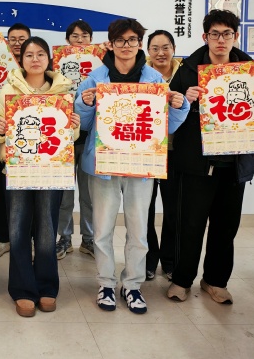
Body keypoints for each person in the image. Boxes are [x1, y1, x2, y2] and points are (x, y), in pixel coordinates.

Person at [75, 18, 188, 315]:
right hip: (104, 165)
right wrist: (85, 104)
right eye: (120, 40)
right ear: (111, 44)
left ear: (140, 44)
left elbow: (166, 127)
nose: (126, 46)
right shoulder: (94, 79)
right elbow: (82, 125)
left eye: (132, 40)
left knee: (138, 230)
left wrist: (178, 106)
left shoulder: (155, 81)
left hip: (141, 165)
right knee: (102, 229)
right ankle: (105, 283)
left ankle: (133, 284)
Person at [167, 10, 254, 304]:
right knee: (190, 224)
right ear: (205, 37)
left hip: (235, 164)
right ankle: (181, 280)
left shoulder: (251, 71)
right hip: (196, 163)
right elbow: (169, 114)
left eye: (227, 34)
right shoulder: (188, 69)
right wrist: (184, 100)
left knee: (225, 227)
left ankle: (215, 281)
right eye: (214, 34)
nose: (221, 40)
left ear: (235, 36)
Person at [0, 37, 81, 317]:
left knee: (46, 229)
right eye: (29, 54)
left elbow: (69, 136)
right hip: (18, 170)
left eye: (40, 54)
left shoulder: (63, 88)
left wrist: (75, 126)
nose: (35, 59)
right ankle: (22, 289)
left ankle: (46, 286)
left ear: (48, 58)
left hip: (52, 171)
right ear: (21, 59)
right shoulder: (8, 88)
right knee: (18, 229)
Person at [0, 22, 32, 258]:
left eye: (21, 38)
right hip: (2, 134)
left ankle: (30, 239)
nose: (16, 43)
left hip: (33, 139)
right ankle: (2, 238)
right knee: (2, 190)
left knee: (33, 192)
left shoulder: (38, 67)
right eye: (12, 39)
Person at [56, 20, 95, 260]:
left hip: (91, 139)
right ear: (67, 39)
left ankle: (89, 239)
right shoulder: (56, 66)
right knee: (64, 195)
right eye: (75, 36)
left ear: (91, 39)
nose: (80, 40)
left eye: (84, 36)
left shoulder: (101, 67)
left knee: (89, 196)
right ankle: (65, 237)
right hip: (64, 139)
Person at [144, 30, 181, 280]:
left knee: (174, 209)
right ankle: (149, 259)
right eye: (155, 48)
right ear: (148, 51)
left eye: (165, 47)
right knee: (143, 210)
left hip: (176, 152)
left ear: (173, 49)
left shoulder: (186, 74)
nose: (161, 53)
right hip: (146, 151)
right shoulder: (140, 75)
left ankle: (169, 260)